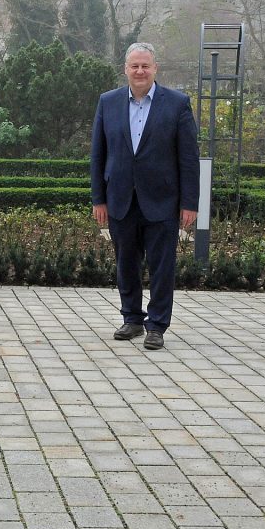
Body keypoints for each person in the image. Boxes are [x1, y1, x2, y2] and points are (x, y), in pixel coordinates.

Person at [90, 42, 200, 350]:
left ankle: (157, 326)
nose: (140, 71)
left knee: (162, 265)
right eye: (134, 66)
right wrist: (99, 198)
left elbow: (189, 158)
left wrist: (190, 203)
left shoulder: (177, 103)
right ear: (125, 69)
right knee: (126, 262)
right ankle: (132, 320)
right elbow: (98, 153)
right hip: (120, 198)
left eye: (145, 66)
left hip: (163, 200)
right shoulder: (107, 102)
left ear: (155, 69)